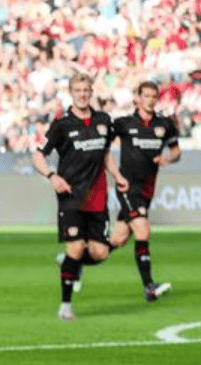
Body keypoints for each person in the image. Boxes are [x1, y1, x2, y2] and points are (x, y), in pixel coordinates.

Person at [31, 73, 129, 321]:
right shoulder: (61, 124)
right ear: (71, 92)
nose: (83, 94)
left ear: (91, 92)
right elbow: (38, 156)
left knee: (100, 253)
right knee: (76, 247)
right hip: (71, 195)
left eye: (86, 90)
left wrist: (117, 176)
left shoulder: (103, 120)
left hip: (97, 196)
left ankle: (70, 262)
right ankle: (65, 306)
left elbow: (105, 153)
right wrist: (52, 176)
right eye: (78, 90)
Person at [109, 81, 180, 301]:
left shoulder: (164, 124)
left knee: (118, 239)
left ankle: (74, 261)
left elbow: (176, 151)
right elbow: (103, 148)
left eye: (153, 96)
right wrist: (116, 175)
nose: (150, 100)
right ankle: (149, 287)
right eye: (146, 96)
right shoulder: (123, 123)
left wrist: (167, 157)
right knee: (143, 232)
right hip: (127, 187)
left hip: (147, 189)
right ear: (138, 98)